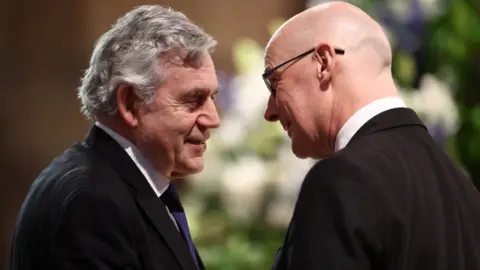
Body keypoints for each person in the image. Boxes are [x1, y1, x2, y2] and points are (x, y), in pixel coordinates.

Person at [263, 2, 480, 269]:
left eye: (274, 83)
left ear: (323, 62)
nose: (269, 111)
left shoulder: (341, 181)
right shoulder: (464, 191)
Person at [10, 5, 220, 270]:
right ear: (130, 104)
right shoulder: (91, 203)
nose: (213, 119)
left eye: (213, 98)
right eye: (193, 100)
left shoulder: (117, 184)